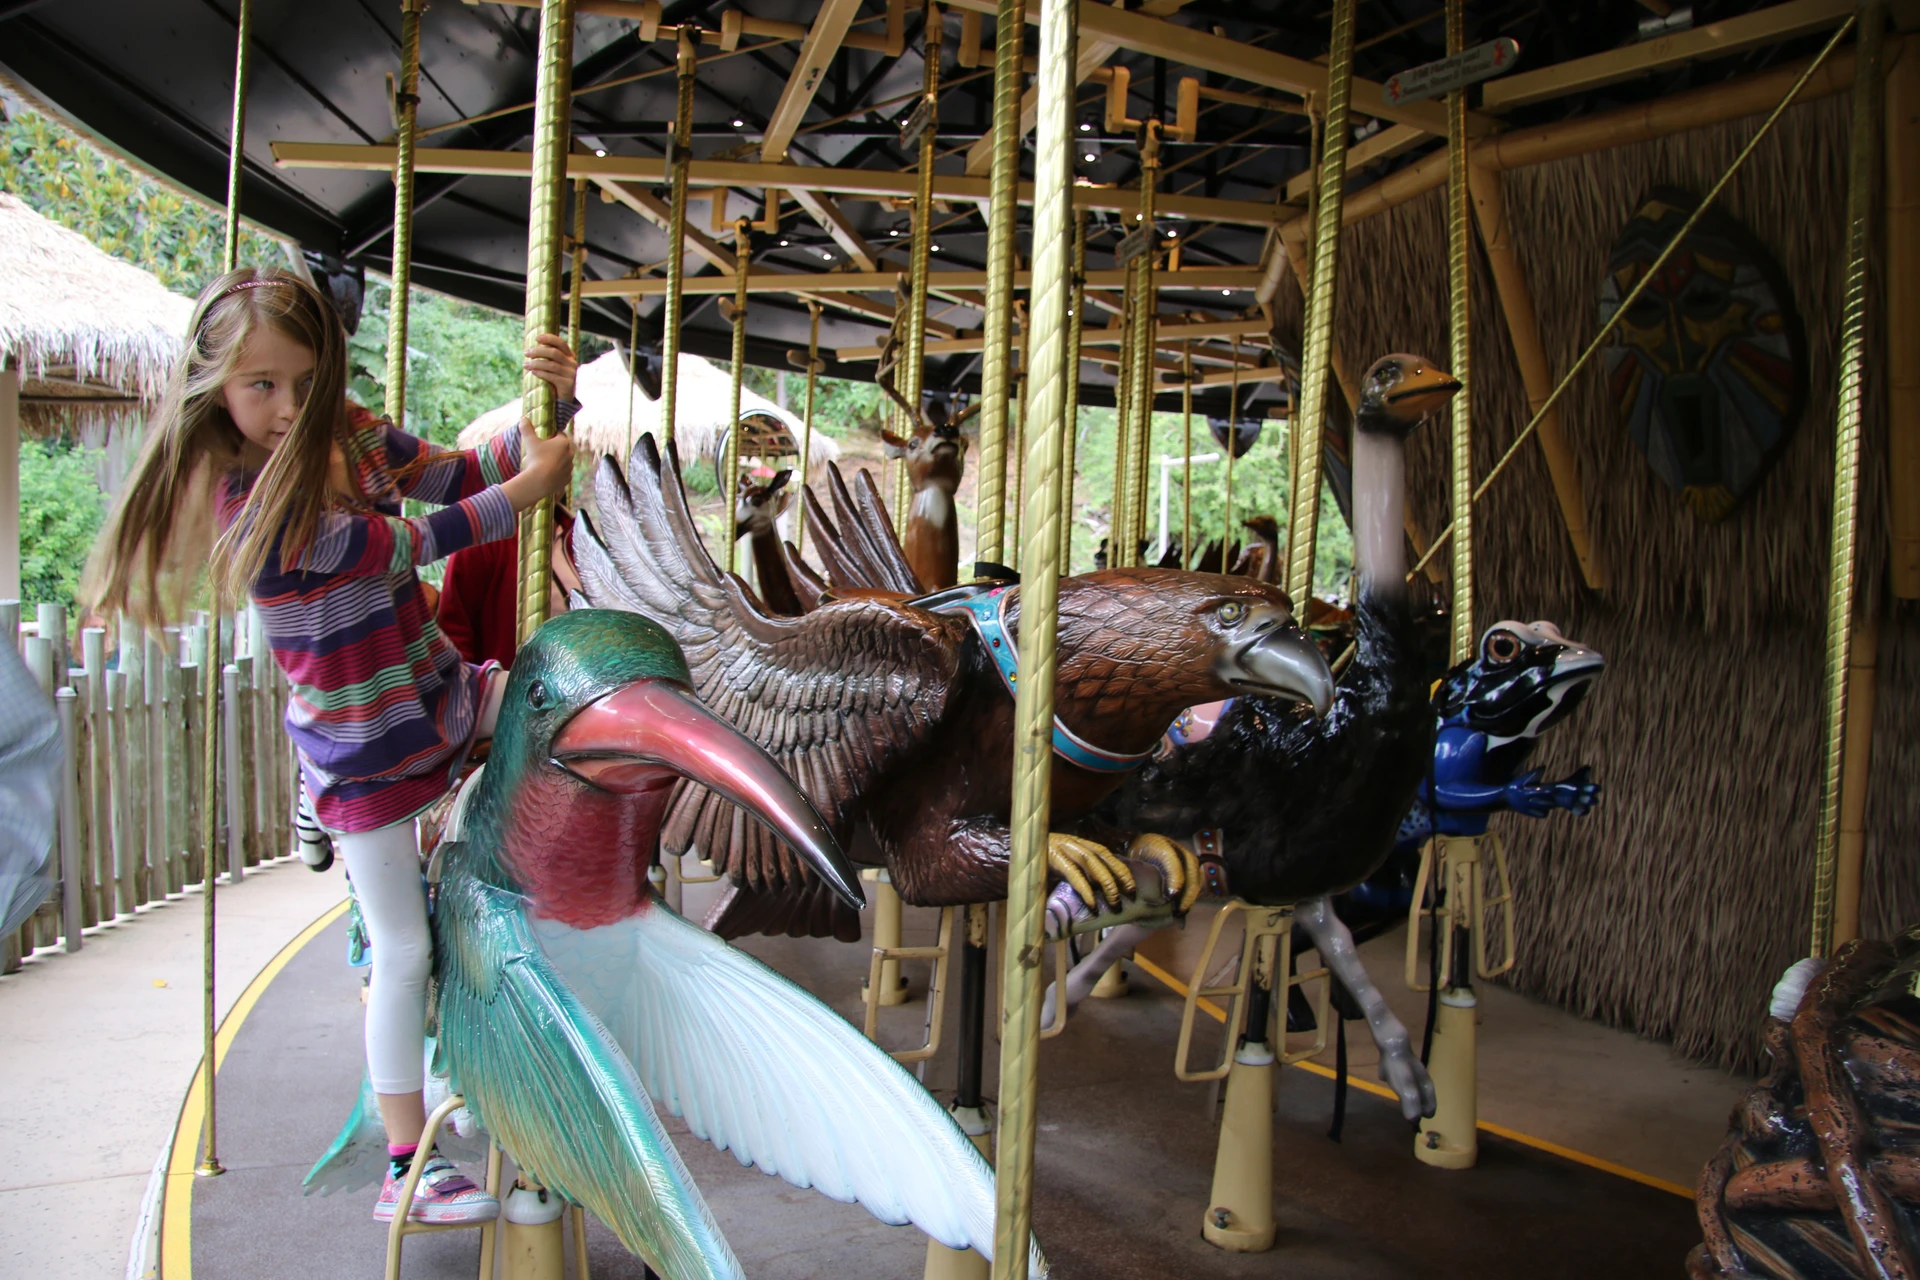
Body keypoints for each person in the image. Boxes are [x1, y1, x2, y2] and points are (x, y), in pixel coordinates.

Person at [83, 266, 578, 1227]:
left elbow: (457, 470)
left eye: (305, 381)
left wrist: (548, 402)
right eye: (260, 384)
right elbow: (407, 540)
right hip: (363, 753)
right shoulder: (251, 507)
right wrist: (526, 492)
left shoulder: (351, 431)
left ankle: (495, 996)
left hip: (436, 695)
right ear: (217, 387)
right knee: (400, 949)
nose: (286, 406)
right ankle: (404, 1164)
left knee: (558, 708)